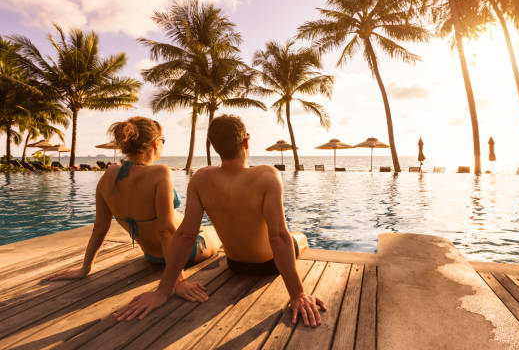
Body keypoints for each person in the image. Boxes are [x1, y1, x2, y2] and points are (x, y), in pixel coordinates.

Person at [114, 114, 326, 327]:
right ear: (246, 142)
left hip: (235, 265)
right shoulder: (267, 176)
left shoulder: (201, 179)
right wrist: (298, 294)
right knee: (298, 236)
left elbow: (186, 236)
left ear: (215, 147)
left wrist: (163, 291)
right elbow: (279, 237)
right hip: (268, 266)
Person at [45, 116, 219, 303]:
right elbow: (166, 231)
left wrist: (85, 269)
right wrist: (178, 282)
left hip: (151, 256)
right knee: (216, 231)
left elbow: (99, 228)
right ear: (155, 143)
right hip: (183, 254)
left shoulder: (108, 176)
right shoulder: (160, 173)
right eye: (163, 141)